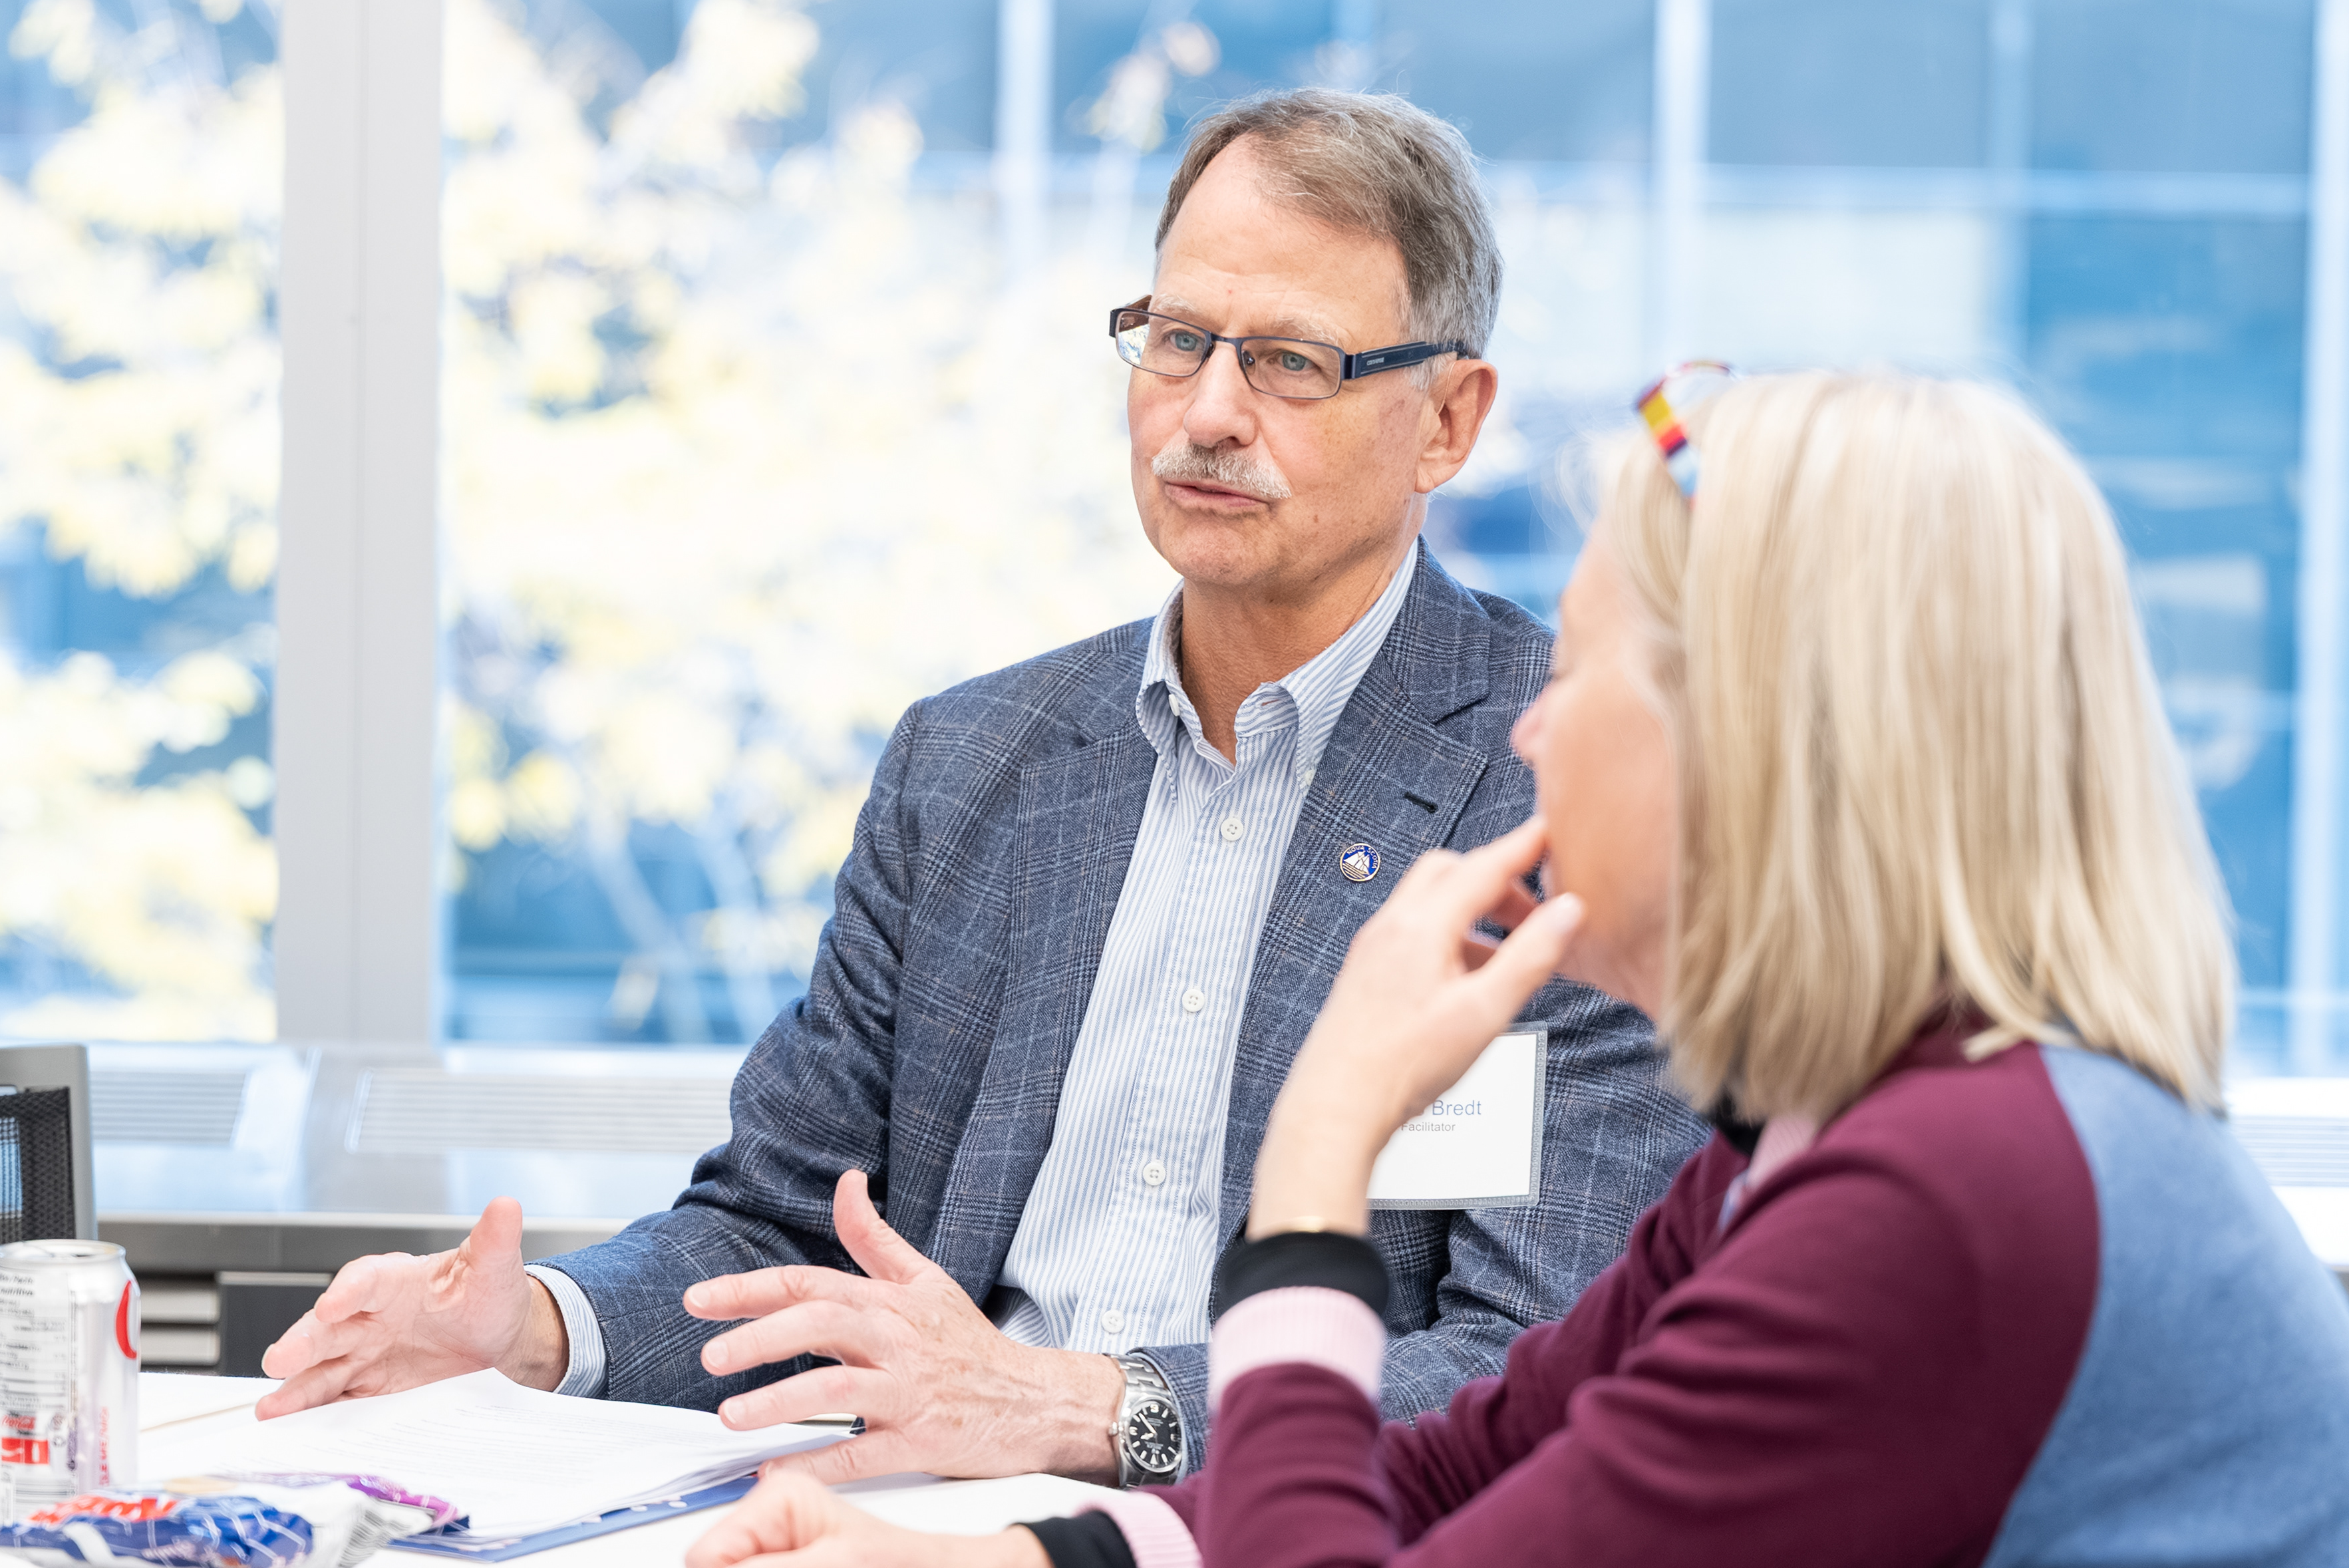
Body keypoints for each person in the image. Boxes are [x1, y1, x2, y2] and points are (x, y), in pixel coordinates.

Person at [255, 88, 1706, 1488]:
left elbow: (1535, 1360)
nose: (1207, 412)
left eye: (1291, 362)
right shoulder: (971, 764)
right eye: (1178, 339)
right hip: (907, 1510)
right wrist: (534, 1330)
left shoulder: (1574, 783)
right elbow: (784, 1226)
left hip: (1267, 1526)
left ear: (1448, 419)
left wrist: (1088, 1407)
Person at [685, 369, 2349, 1568]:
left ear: (1752, 740)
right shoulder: (1831, 1137)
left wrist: (1318, 1163)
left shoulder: (1939, 1206)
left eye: (1583, 668)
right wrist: (1003, 1560)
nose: (1536, 727)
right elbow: (1459, 1466)